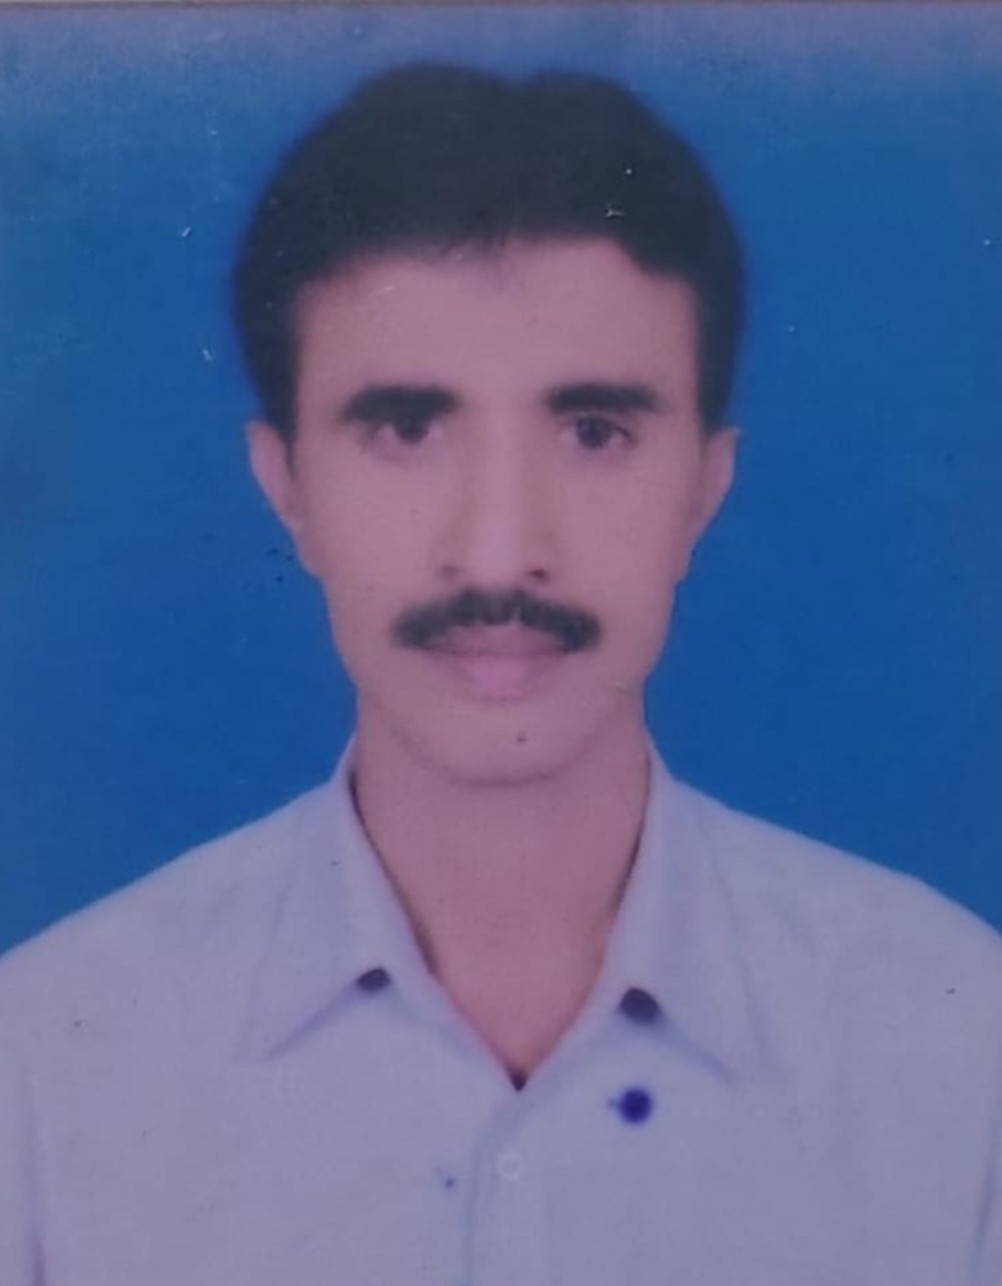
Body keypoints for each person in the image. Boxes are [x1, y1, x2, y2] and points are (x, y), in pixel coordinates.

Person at [1, 62, 999, 1286]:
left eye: (594, 431)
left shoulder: (958, 1053)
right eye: (407, 428)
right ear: (287, 486)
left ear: (704, 486)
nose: (497, 548)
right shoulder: (41, 1069)